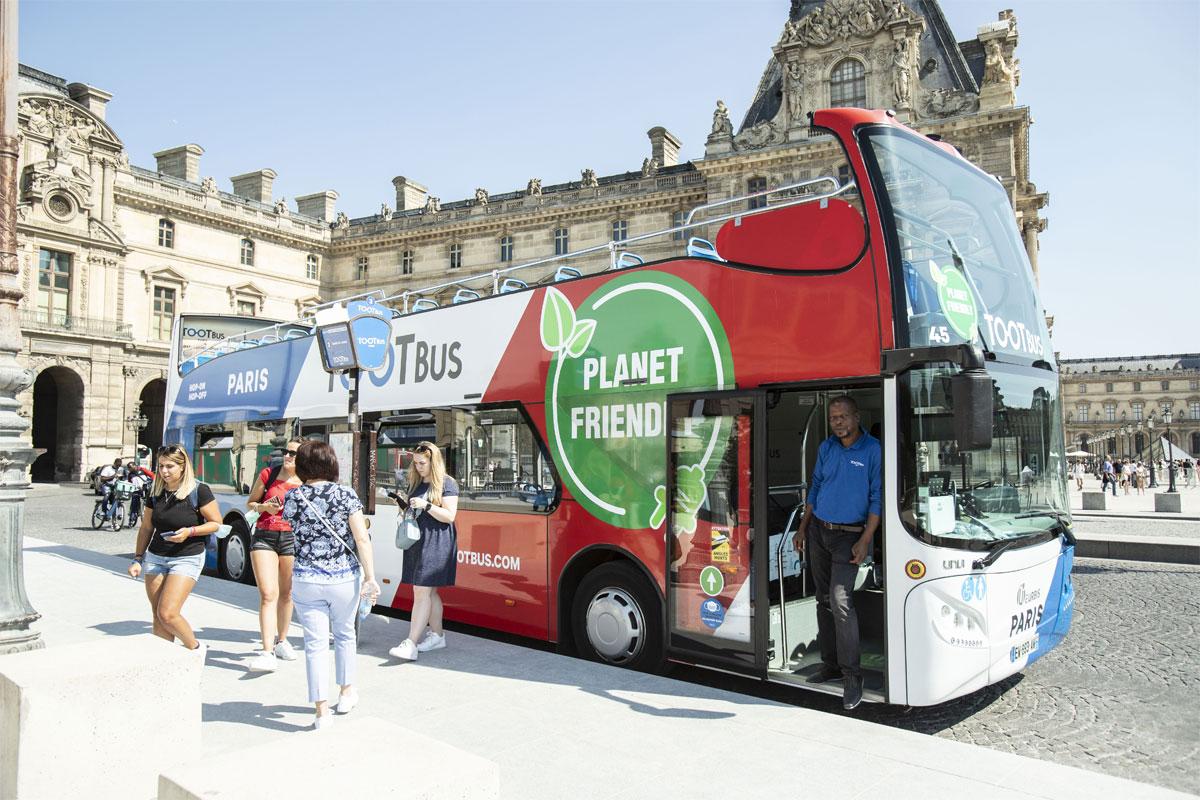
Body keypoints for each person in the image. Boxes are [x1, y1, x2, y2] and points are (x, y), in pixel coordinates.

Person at [280, 440, 379, 730]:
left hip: (306, 579)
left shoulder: (294, 497)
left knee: (315, 645)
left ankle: (321, 712)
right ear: (332, 463)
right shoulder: (345, 494)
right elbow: (361, 539)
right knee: (345, 635)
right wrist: (371, 577)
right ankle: (347, 692)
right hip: (343, 579)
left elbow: (293, 530)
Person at [791, 396, 881, 711]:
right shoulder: (826, 448)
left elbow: (876, 497)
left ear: (857, 417)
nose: (838, 422)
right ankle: (829, 664)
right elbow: (815, 488)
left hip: (850, 536)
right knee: (822, 599)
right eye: (833, 418)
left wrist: (866, 538)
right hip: (819, 530)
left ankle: (852, 676)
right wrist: (803, 527)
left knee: (841, 602)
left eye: (843, 416)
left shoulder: (872, 450)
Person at [127, 444, 222, 656]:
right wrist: (137, 559)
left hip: (187, 557)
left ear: (182, 467)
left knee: (168, 613)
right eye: (161, 466)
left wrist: (190, 531)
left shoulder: (199, 490)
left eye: (169, 466)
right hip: (156, 556)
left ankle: (195, 649)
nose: (164, 471)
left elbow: (216, 523)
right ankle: (165, 661)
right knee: (157, 615)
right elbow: (146, 528)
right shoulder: (156, 490)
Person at [388, 441, 460, 662]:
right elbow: (414, 510)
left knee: (421, 592)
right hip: (418, 540)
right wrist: (403, 505)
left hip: (437, 541)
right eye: (416, 463)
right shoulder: (417, 482)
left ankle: (411, 643)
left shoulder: (447, 483)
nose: (418, 467)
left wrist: (426, 505)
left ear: (433, 461)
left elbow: (450, 516)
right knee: (429, 593)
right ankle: (437, 635)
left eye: (422, 463)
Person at [244, 440, 304, 673]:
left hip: (291, 538)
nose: (288, 456)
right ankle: (267, 651)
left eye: (293, 453)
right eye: (286, 451)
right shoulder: (269, 474)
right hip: (264, 536)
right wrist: (264, 508)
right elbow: (250, 503)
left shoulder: (306, 481)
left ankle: (282, 641)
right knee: (269, 594)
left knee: (287, 593)